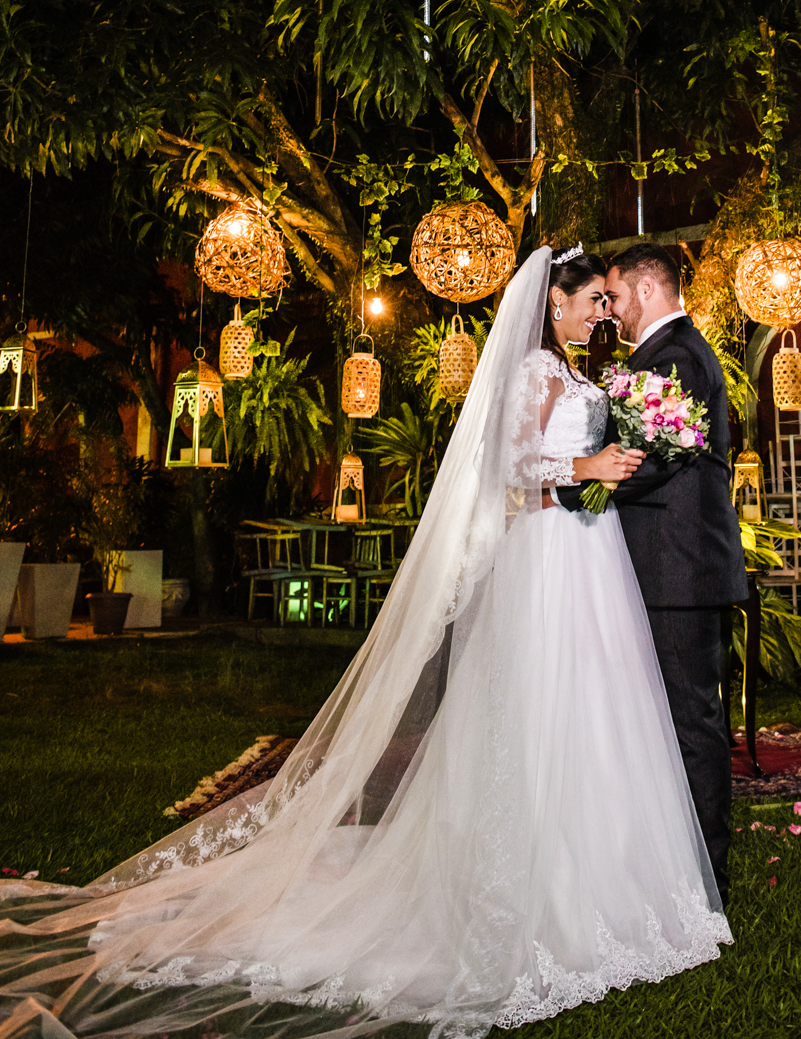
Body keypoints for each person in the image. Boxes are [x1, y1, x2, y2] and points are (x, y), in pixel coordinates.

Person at [0, 247, 732, 1039]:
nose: (602, 311)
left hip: (593, 565)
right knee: (539, 714)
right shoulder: (528, 373)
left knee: (598, 717)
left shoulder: (586, 374)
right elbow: (508, 476)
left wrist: (598, 469)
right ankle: (532, 883)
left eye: (608, 299)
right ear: (552, 303)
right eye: (592, 298)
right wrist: (581, 469)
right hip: (552, 563)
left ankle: (607, 876)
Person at [556, 242, 748, 905]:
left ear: (645, 289)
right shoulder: (668, 355)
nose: (608, 312)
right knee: (665, 723)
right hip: (668, 570)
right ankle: (670, 865)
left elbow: (646, 461)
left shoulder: (671, 355)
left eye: (612, 296)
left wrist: (563, 487)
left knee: (690, 725)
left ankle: (703, 888)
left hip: (677, 572)